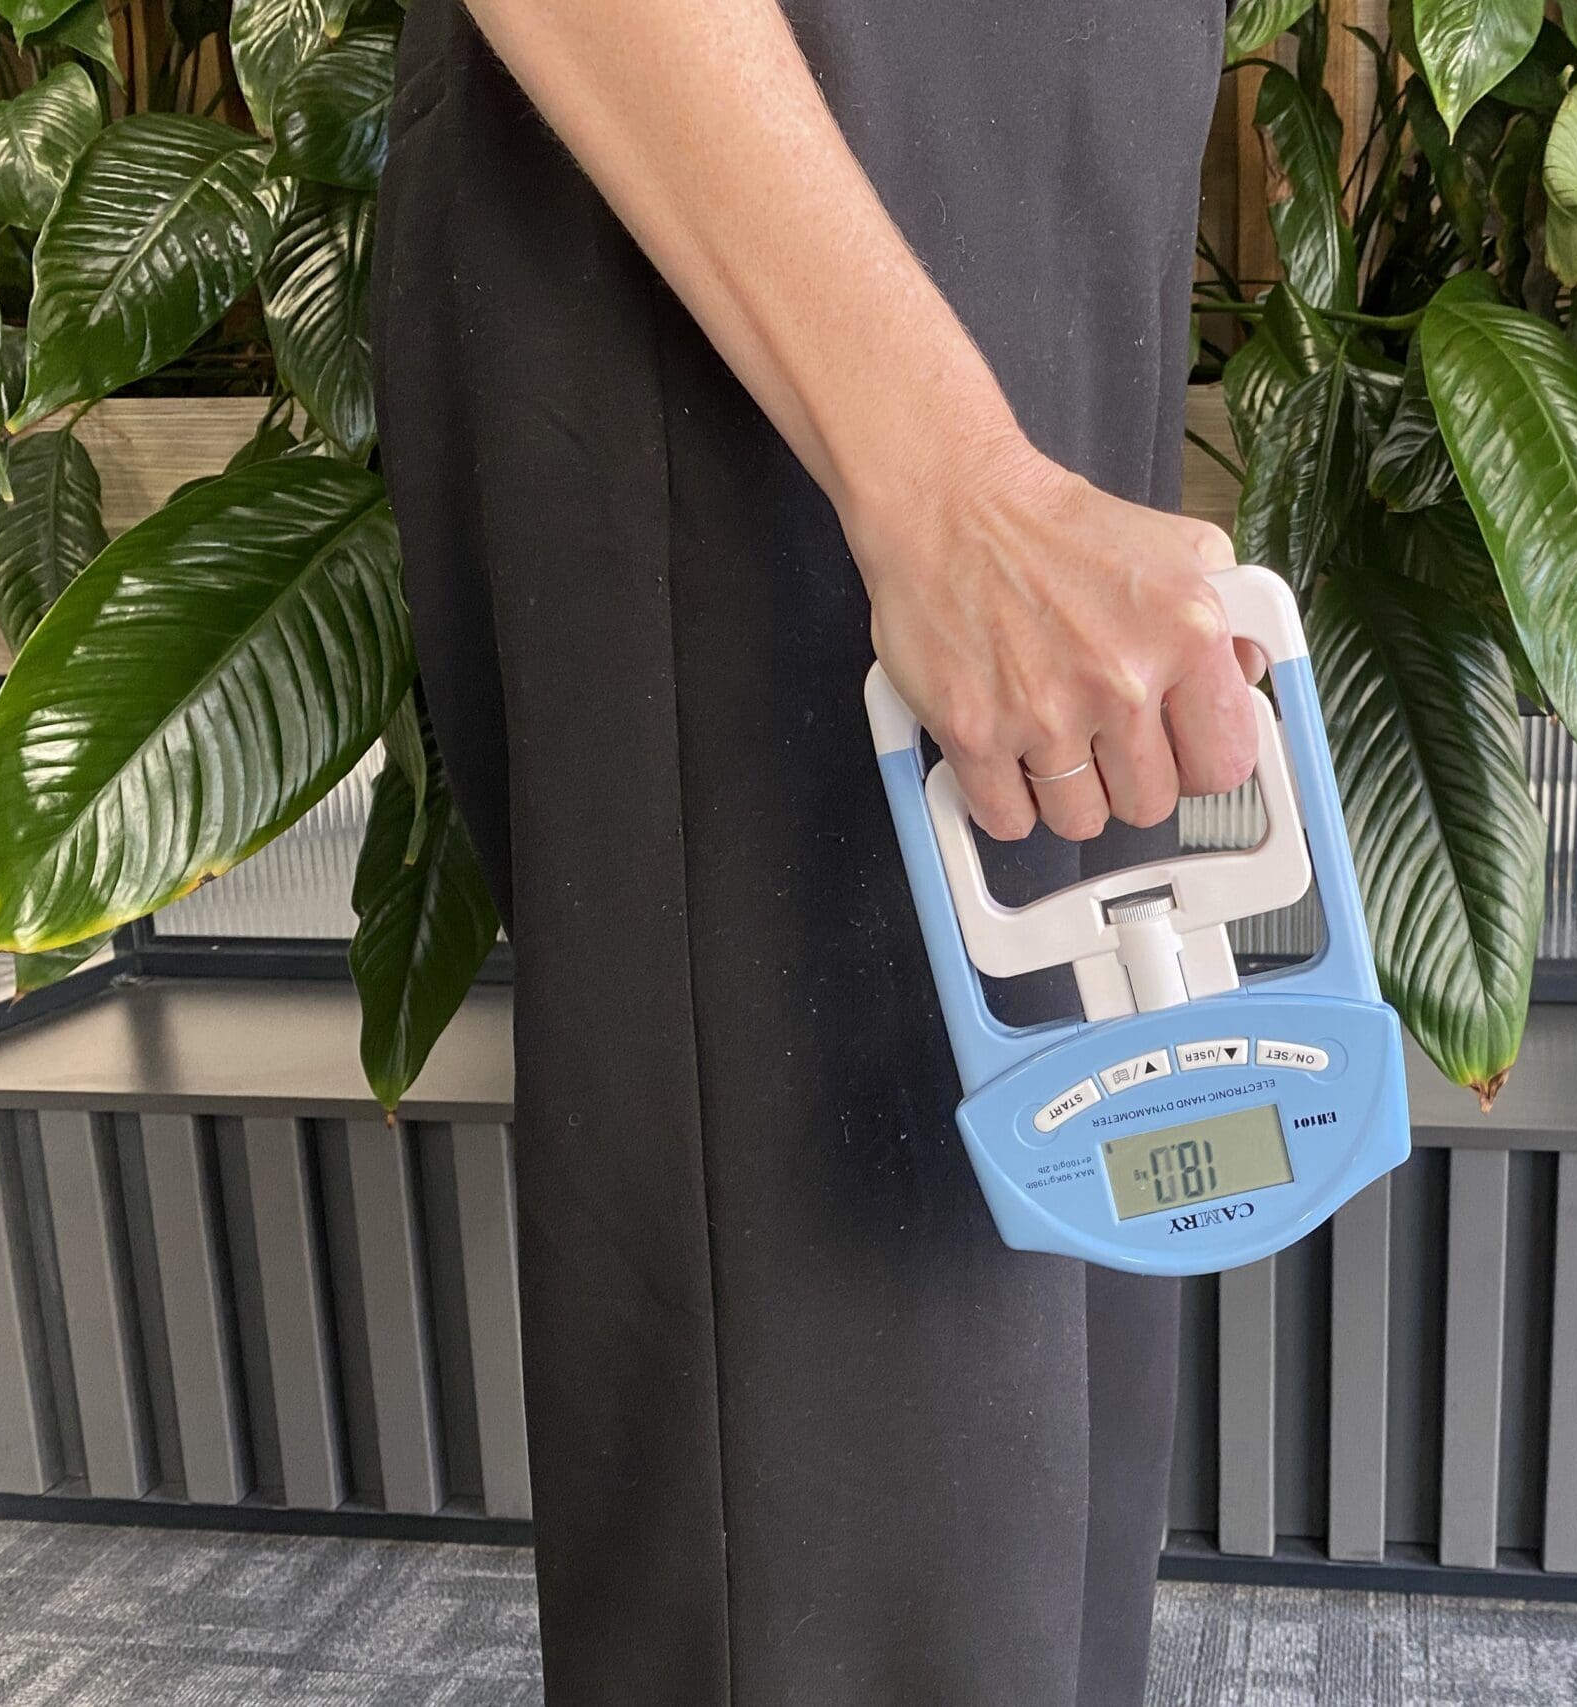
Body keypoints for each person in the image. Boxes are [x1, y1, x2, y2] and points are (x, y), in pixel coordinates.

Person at [368, 2, 1255, 1704]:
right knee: (841, 1502)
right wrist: (946, 482)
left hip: (1066, 147)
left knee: (1035, 1417)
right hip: (787, 121)